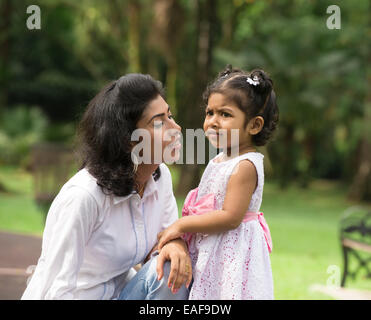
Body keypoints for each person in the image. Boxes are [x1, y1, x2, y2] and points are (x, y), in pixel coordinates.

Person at [21, 73, 192, 300]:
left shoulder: (160, 179)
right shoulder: (83, 197)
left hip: (122, 294)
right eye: (160, 122)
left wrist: (175, 245)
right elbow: (57, 289)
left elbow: (163, 240)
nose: (176, 128)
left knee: (170, 267)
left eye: (170, 116)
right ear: (128, 139)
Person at [157, 65, 279, 299]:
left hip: (232, 250)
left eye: (225, 114)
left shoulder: (245, 165)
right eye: (209, 112)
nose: (213, 121)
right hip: (214, 245)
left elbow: (230, 217)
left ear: (254, 125)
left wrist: (183, 224)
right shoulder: (221, 160)